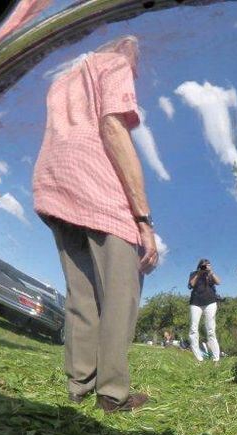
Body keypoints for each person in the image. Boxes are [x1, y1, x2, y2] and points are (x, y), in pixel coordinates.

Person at [32, 35, 159, 414]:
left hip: (56, 183)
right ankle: (112, 394)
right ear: (124, 53)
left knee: (81, 293)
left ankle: (78, 385)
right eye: (137, 64)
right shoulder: (114, 65)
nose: (136, 72)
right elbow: (113, 127)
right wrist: (143, 219)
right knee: (121, 296)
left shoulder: (62, 81)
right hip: (98, 186)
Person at [187, 259, 221, 362]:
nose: (205, 267)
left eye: (207, 265)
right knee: (193, 329)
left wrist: (211, 272)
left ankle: (216, 358)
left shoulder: (210, 274)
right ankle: (198, 358)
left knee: (211, 329)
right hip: (195, 303)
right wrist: (199, 273)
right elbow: (191, 285)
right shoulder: (194, 273)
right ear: (199, 266)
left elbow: (218, 282)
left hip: (210, 302)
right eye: (203, 265)